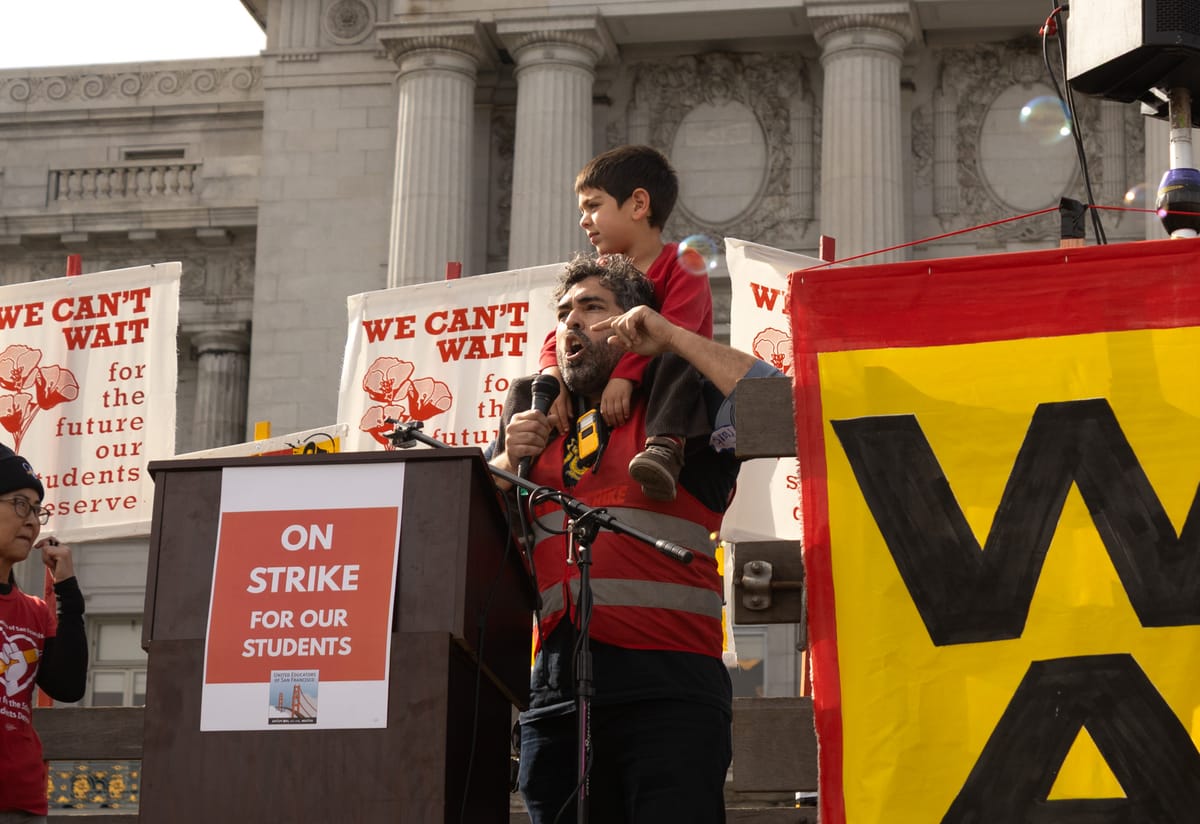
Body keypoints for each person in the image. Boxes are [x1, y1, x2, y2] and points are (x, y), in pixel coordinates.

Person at [492, 254, 779, 823]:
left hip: (669, 690)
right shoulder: (534, 422)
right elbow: (475, 537)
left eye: (592, 307)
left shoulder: (681, 409)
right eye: (564, 312)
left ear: (633, 323)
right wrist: (504, 459)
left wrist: (672, 336)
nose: (572, 321)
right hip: (557, 694)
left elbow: (781, 406)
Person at [538, 144, 714, 501]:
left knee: (676, 350)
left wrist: (625, 375)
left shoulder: (682, 263)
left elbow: (676, 329)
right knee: (526, 388)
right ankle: (520, 465)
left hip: (664, 384)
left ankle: (664, 448)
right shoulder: (597, 275)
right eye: (582, 209)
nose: (583, 220)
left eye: (593, 206)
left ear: (637, 204)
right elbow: (557, 332)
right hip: (603, 384)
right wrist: (551, 376)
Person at [0, 445, 87, 822]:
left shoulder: (33, 611)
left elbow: (68, 687)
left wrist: (67, 589)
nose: (33, 520)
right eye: (20, 503)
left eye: (37, 509)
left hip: (22, 800)